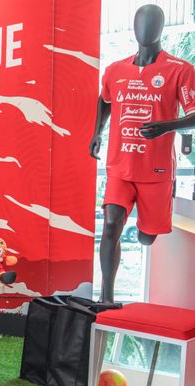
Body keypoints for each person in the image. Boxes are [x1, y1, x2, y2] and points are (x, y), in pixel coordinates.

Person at [89, 4, 195, 303]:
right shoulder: (116, 70)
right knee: (110, 224)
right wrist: (97, 133)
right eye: (140, 23)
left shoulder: (180, 70)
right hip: (120, 166)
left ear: (161, 29)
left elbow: (194, 114)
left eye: (151, 24)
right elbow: (105, 100)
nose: (145, 29)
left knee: (147, 237)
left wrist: (166, 126)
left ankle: (145, 230)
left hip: (156, 170)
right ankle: (106, 298)